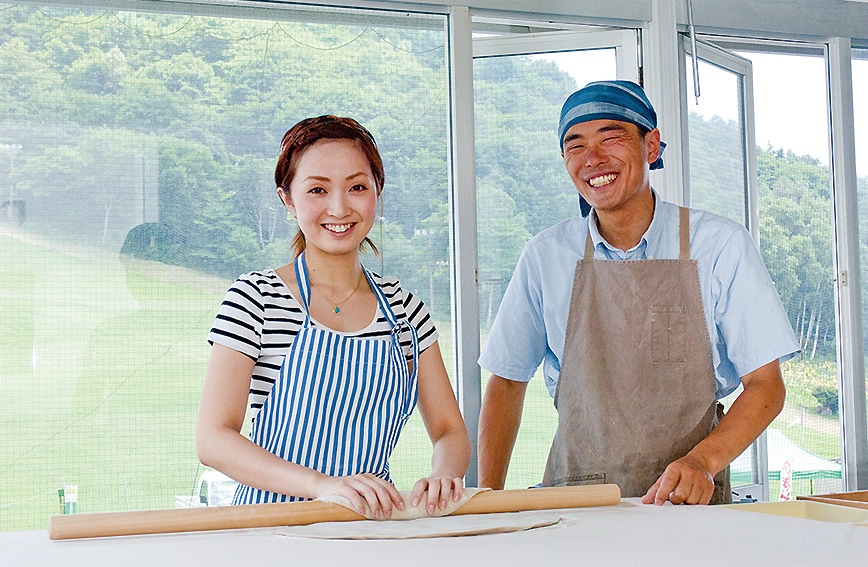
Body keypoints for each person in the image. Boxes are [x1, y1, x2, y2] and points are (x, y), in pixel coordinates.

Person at [477, 81, 799, 505]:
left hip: (689, 504)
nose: (592, 159)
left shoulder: (720, 245)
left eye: (610, 138)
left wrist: (702, 462)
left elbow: (765, 386)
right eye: (575, 145)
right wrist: (483, 501)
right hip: (577, 501)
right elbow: (506, 382)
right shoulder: (545, 255)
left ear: (651, 145)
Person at [197, 115, 470, 518]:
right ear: (288, 200)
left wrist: (444, 475)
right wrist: (323, 487)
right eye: (317, 189)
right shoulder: (257, 298)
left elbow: (450, 430)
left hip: (371, 528)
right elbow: (213, 440)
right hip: (270, 530)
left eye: (357, 187)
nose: (339, 207)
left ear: (377, 192)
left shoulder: (404, 311)